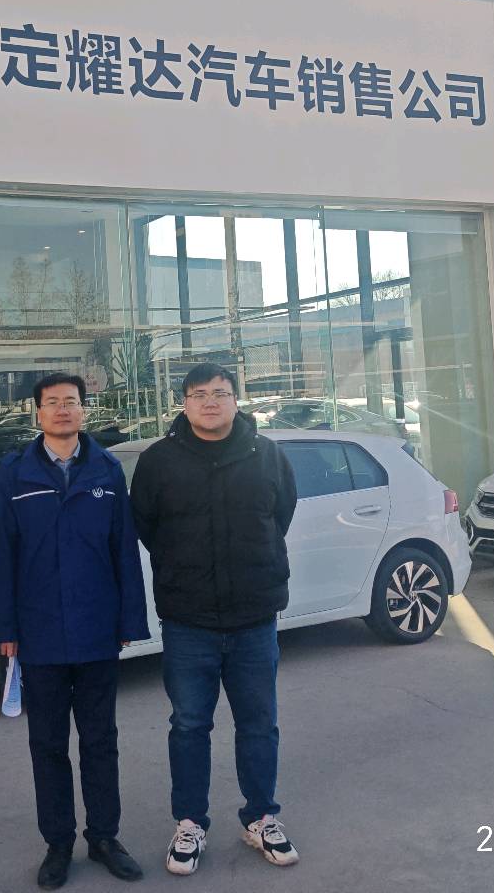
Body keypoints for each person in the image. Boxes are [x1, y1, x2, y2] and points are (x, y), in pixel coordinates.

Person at [129, 364, 299, 877]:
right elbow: (146, 526)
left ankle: (261, 817)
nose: (210, 402)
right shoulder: (159, 461)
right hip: (189, 621)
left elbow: (281, 515)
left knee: (259, 723)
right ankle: (189, 823)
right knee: (188, 725)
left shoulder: (267, 455)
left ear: (236, 400)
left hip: (254, 618)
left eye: (220, 393)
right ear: (183, 403)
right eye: (199, 394)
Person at [0, 373, 149, 890]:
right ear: (37, 412)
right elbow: (1, 555)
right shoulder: (15, 472)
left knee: (101, 740)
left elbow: (124, 549)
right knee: (48, 744)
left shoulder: (106, 469)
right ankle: (57, 844)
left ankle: (104, 838)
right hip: (39, 633)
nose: (63, 409)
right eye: (53, 402)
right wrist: (4, 628)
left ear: (83, 411)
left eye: (71, 402)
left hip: (97, 628)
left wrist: (130, 619)